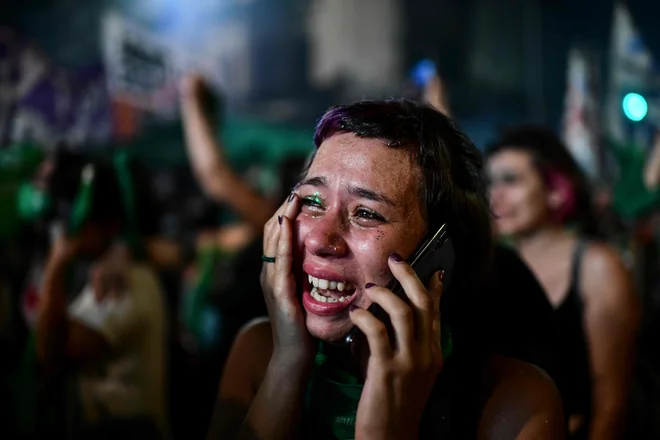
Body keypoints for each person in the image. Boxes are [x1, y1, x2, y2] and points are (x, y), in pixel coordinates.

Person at [209, 99, 564, 440]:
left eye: (366, 213)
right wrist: (287, 364)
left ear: (437, 254)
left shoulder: (514, 402)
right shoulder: (259, 352)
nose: (319, 239)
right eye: (313, 202)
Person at [485, 126, 639, 440]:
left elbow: (611, 406)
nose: (495, 195)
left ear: (557, 190)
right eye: (491, 182)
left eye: (511, 180)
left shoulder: (597, 266)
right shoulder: (497, 265)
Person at [35, 158, 168, 439]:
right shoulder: (98, 272)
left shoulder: (123, 282)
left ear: (111, 225)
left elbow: (52, 352)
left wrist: (56, 265)